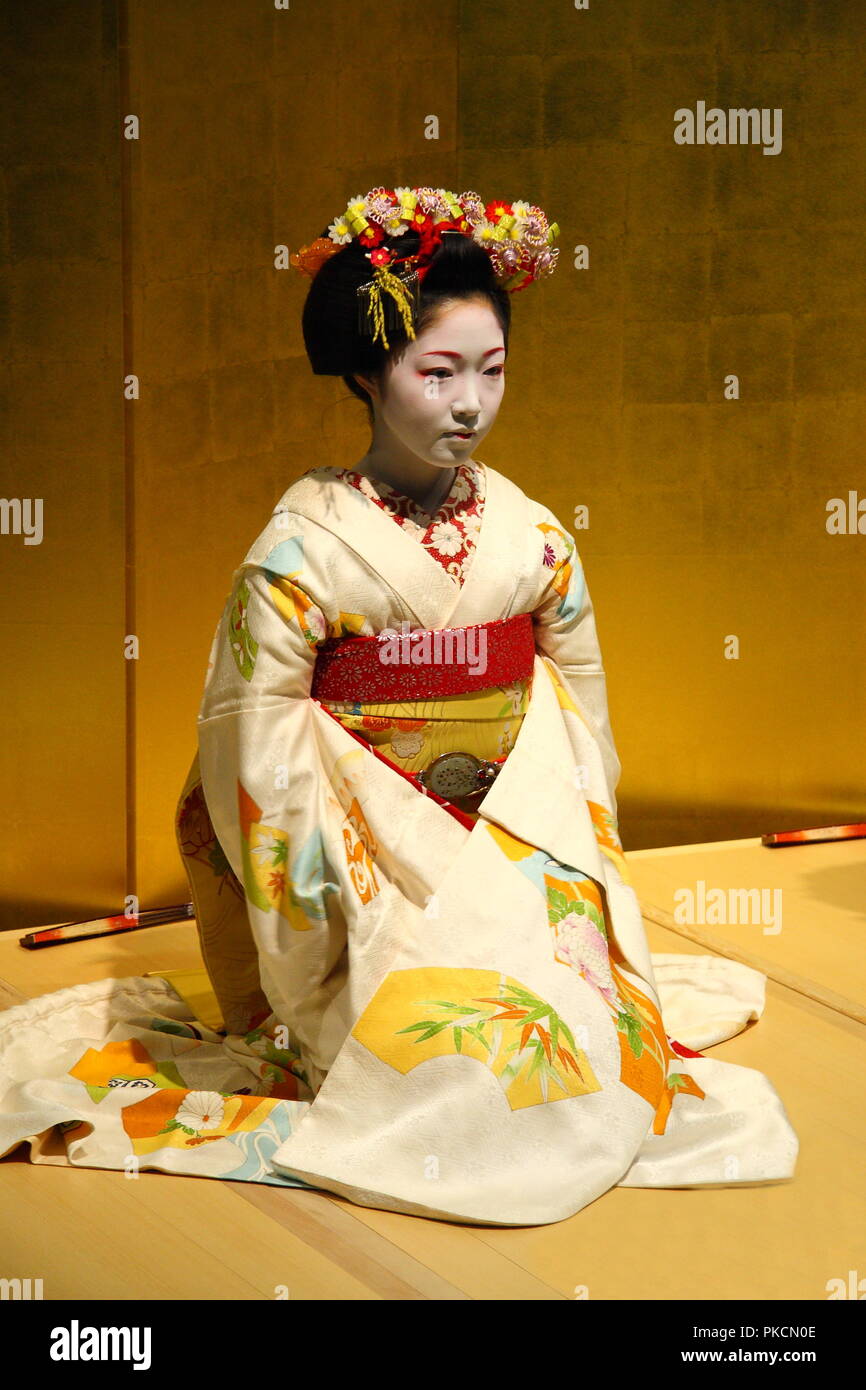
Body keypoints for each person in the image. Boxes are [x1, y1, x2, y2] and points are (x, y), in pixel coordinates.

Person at [175, 186, 798, 1226]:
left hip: (518, 830)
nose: (469, 403)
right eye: (437, 372)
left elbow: (579, 706)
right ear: (368, 371)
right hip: (365, 850)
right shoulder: (302, 550)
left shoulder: (531, 534)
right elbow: (255, 732)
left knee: (570, 1050)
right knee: (435, 1062)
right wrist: (312, 880)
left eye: (491, 371)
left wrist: (568, 837)